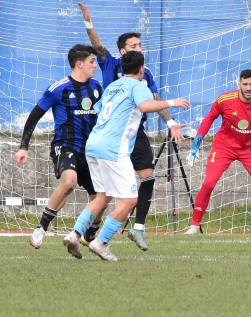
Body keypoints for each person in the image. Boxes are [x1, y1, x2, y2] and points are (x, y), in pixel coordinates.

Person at [78, 2, 186, 251]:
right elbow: (96, 43)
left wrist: (170, 122)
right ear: (122, 50)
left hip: (135, 133)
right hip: (111, 136)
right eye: (134, 45)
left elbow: (154, 101)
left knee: (147, 177)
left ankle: (138, 228)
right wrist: (88, 22)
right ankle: (93, 234)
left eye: (140, 45)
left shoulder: (144, 72)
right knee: (105, 193)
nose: (139, 48)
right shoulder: (109, 62)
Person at [62, 51, 189, 261]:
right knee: (129, 200)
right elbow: (145, 106)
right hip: (113, 148)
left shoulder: (112, 86)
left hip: (93, 145)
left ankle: (74, 234)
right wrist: (173, 102)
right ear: (141, 70)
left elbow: (99, 109)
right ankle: (100, 242)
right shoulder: (139, 86)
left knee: (103, 196)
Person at [15, 44, 104, 249]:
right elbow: (34, 117)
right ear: (79, 64)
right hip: (66, 146)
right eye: (92, 61)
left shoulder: (97, 88)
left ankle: (89, 236)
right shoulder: (58, 89)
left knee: (100, 197)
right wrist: (23, 146)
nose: (95, 66)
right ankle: (40, 229)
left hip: (91, 151)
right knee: (69, 182)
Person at [184, 69, 251, 237]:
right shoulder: (225, 100)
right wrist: (196, 144)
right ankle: (194, 226)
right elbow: (209, 118)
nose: (248, 88)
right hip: (223, 146)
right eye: (245, 84)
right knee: (209, 183)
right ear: (239, 84)